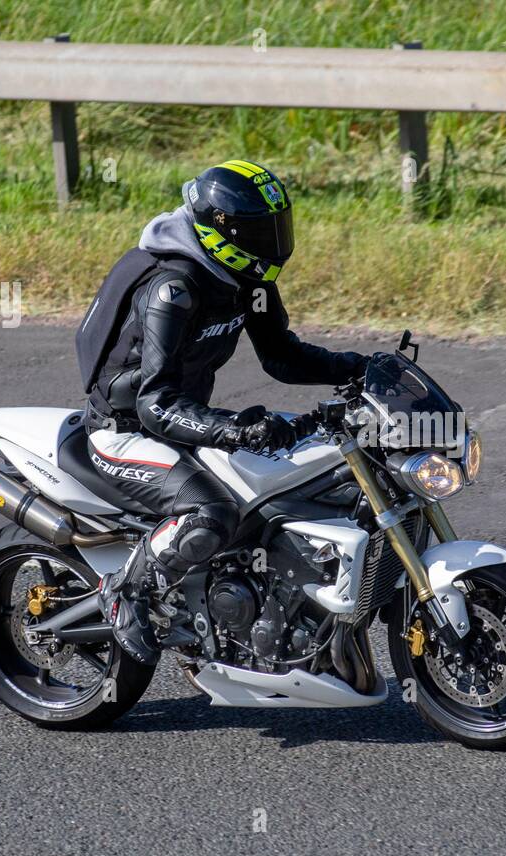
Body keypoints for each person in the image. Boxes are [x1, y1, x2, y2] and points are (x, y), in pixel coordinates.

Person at [77, 160, 368, 665]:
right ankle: (125, 594)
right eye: (259, 230)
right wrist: (235, 429)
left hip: (182, 422)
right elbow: (154, 403)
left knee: (298, 485)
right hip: (125, 432)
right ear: (218, 230)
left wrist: (363, 367)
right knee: (212, 512)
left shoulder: (244, 276)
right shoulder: (174, 289)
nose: (272, 239)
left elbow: (282, 356)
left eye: (276, 226)